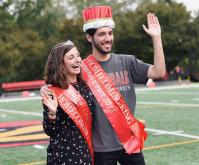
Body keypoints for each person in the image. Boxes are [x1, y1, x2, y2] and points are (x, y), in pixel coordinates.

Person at [41, 5, 165, 165]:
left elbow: (159, 72)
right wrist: (46, 88)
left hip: (130, 143)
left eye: (110, 33)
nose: (107, 38)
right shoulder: (81, 69)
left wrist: (156, 37)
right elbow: (60, 86)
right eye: (101, 34)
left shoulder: (127, 61)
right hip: (101, 150)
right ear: (89, 37)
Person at [41, 40, 94, 165]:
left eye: (78, 55)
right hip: (63, 155)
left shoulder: (86, 87)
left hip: (86, 153)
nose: (77, 60)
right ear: (60, 63)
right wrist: (52, 113)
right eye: (71, 57)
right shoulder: (52, 91)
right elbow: (49, 131)